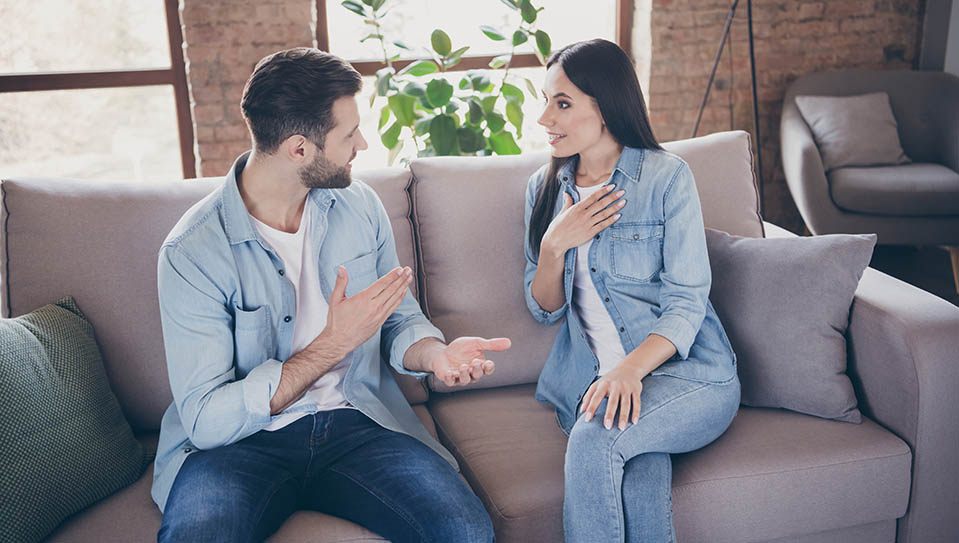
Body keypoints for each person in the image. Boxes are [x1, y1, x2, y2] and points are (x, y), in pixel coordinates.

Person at [152, 47, 508, 543]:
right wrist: (333, 344)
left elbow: (398, 319)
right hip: (240, 446)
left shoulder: (358, 206)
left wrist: (436, 355)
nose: (362, 143)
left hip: (356, 423)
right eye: (349, 134)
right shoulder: (193, 252)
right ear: (300, 149)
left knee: (465, 532)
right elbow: (208, 420)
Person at [523, 39, 741, 543]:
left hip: (691, 377)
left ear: (606, 104)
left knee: (596, 443)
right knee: (639, 474)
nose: (544, 118)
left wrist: (628, 370)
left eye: (562, 103)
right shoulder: (543, 189)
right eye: (545, 100)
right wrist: (554, 247)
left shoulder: (666, 179)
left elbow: (687, 303)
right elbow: (543, 310)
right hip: (593, 381)